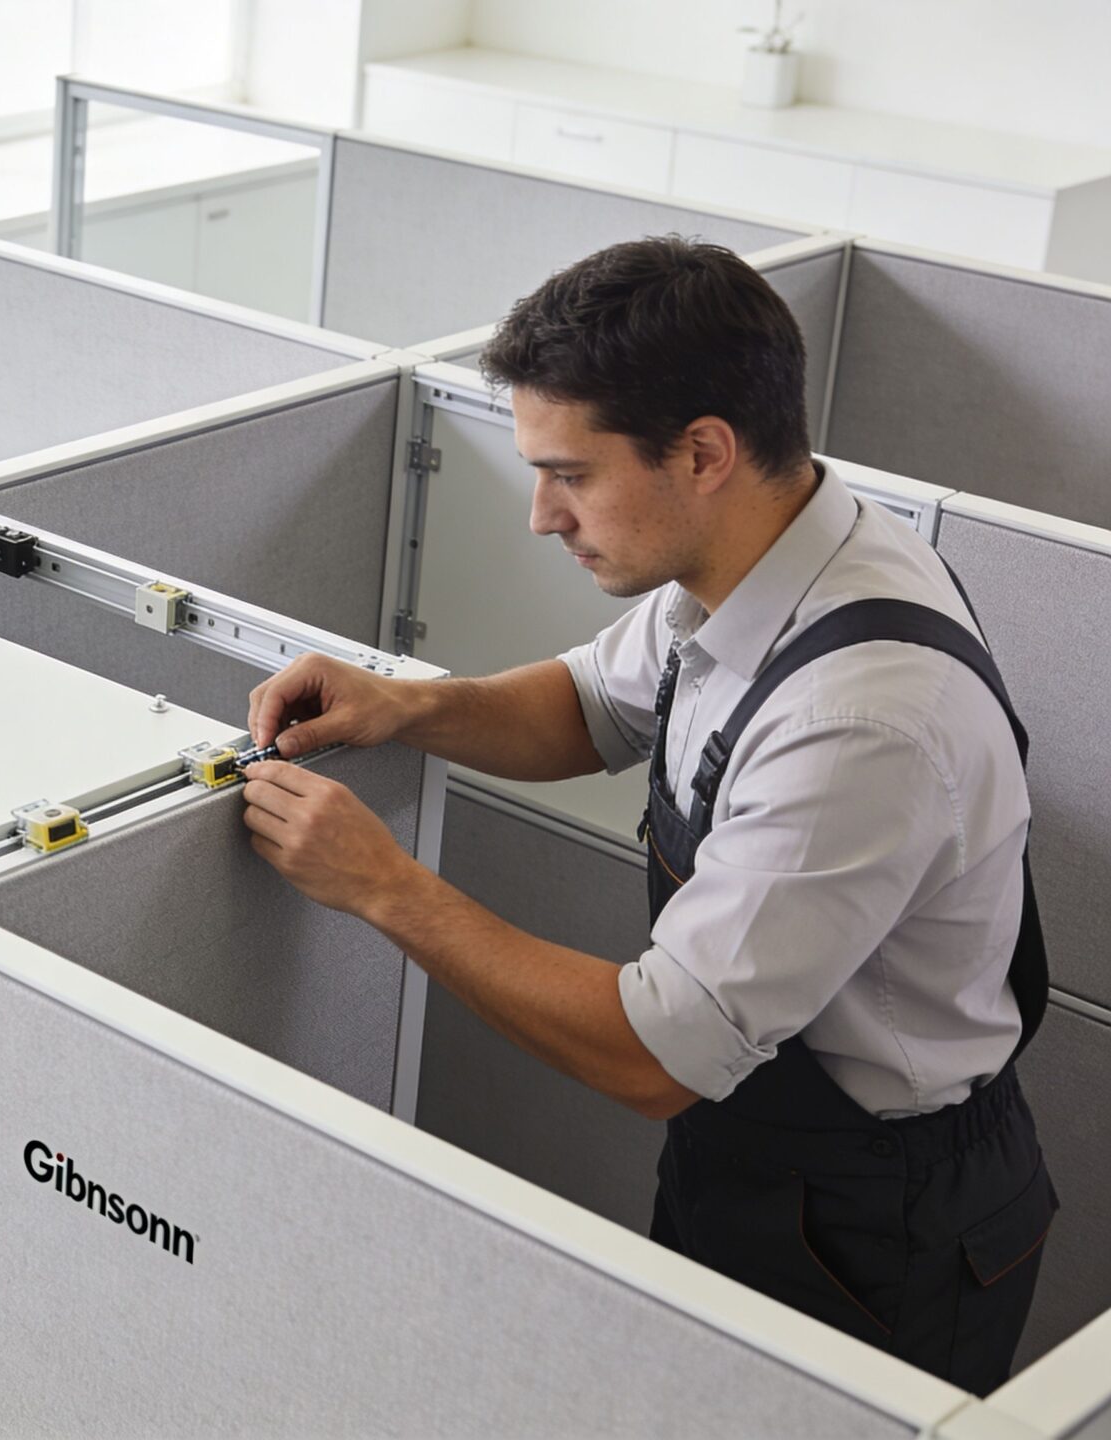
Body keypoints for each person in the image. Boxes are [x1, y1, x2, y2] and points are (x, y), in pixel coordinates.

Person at [236, 236, 1053, 1393]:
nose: (538, 515)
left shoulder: (860, 718)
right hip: (759, 1149)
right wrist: (402, 710)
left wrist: (382, 883)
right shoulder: (760, 559)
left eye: (568, 473)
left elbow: (655, 1051)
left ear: (704, 453)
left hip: (880, 1222)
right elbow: (587, 707)